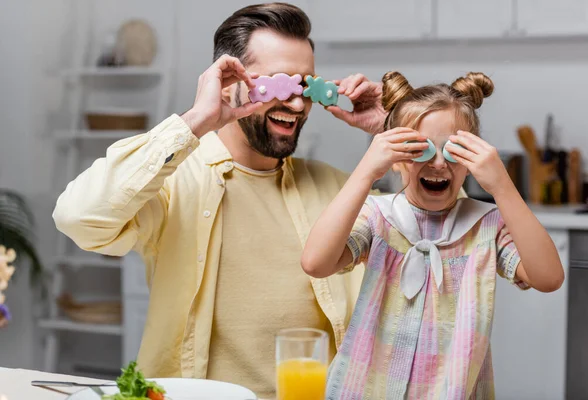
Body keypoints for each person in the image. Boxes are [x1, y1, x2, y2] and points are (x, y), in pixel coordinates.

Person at [52, 3, 386, 398]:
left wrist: (392, 126)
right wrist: (197, 120)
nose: (297, 104)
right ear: (231, 82)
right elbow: (78, 218)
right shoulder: (174, 183)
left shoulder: (338, 190)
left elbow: (430, 232)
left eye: (305, 86)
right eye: (278, 84)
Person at [301, 71, 565, 399]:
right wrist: (367, 170)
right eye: (420, 149)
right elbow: (315, 262)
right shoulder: (379, 216)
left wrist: (501, 185)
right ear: (396, 159)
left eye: (454, 152)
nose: (439, 163)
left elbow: (549, 278)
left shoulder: (485, 226)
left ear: (472, 162)